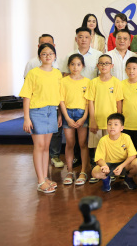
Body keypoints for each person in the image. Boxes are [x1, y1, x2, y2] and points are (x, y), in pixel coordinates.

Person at [20, 42, 63, 193]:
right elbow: (26, 96)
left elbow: (59, 96)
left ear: (55, 56)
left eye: (50, 53)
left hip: (52, 111)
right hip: (37, 112)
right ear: (39, 57)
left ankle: (45, 178)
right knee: (39, 146)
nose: (47, 56)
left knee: (46, 147)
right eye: (44, 54)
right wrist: (26, 118)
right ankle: (40, 181)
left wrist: (59, 114)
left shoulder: (57, 73)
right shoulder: (33, 73)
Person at [86, 54, 124, 183]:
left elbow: (119, 103)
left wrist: (118, 122)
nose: (104, 66)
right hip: (97, 121)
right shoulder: (93, 82)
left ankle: (110, 172)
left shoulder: (116, 82)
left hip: (111, 124)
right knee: (97, 149)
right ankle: (97, 172)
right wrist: (92, 120)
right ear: (97, 66)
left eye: (107, 63)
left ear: (112, 66)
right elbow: (90, 102)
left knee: (110, 149)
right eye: (101, 63)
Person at [59, 54, 90, 186]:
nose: (75, 67)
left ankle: (83, 171)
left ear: (82, 66)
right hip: (68, 113)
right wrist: (66, 117)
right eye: (72, 64)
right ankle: (70, 171)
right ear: (68, 66)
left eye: (78, 64)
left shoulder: (87, 82)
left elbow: (89, 102)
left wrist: (84, 117)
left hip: (82, 114)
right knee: (70, 143)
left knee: (82, 143)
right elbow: (61, 100)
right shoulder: (63, 81)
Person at [91, 113, 137, 192]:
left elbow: (132, 155)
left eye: (116, 124)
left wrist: (122, 166)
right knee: (95, 172)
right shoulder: (103, 140)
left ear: (121, 128)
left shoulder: (126, 137)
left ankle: (128, 178)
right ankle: (106, 180)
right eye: (109, 124)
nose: (112, 127)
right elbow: (99, 158)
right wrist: (105, 166)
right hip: (108, 165)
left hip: (123, 165)